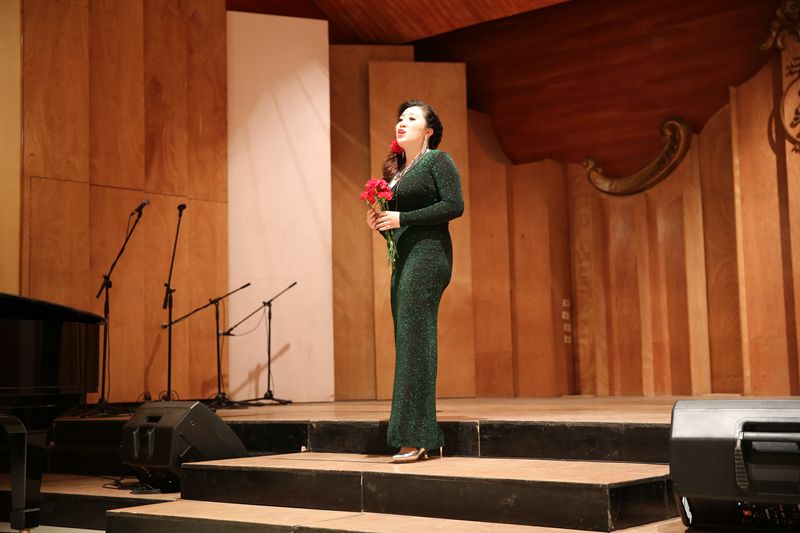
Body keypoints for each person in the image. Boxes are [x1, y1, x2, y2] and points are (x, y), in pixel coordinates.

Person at [366, 99, 464, 463]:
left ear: (429, 130)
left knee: (415, 341)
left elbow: (454, 205)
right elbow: (400, 227)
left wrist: (401, 218)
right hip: (405, 258)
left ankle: (417, 435)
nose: (402, 122)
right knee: (408, 342)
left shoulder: (438, 160)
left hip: (429, 257)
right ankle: (413, 432)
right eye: (400, 118)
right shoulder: (397, 172)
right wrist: (382, 225)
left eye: (411, 118)